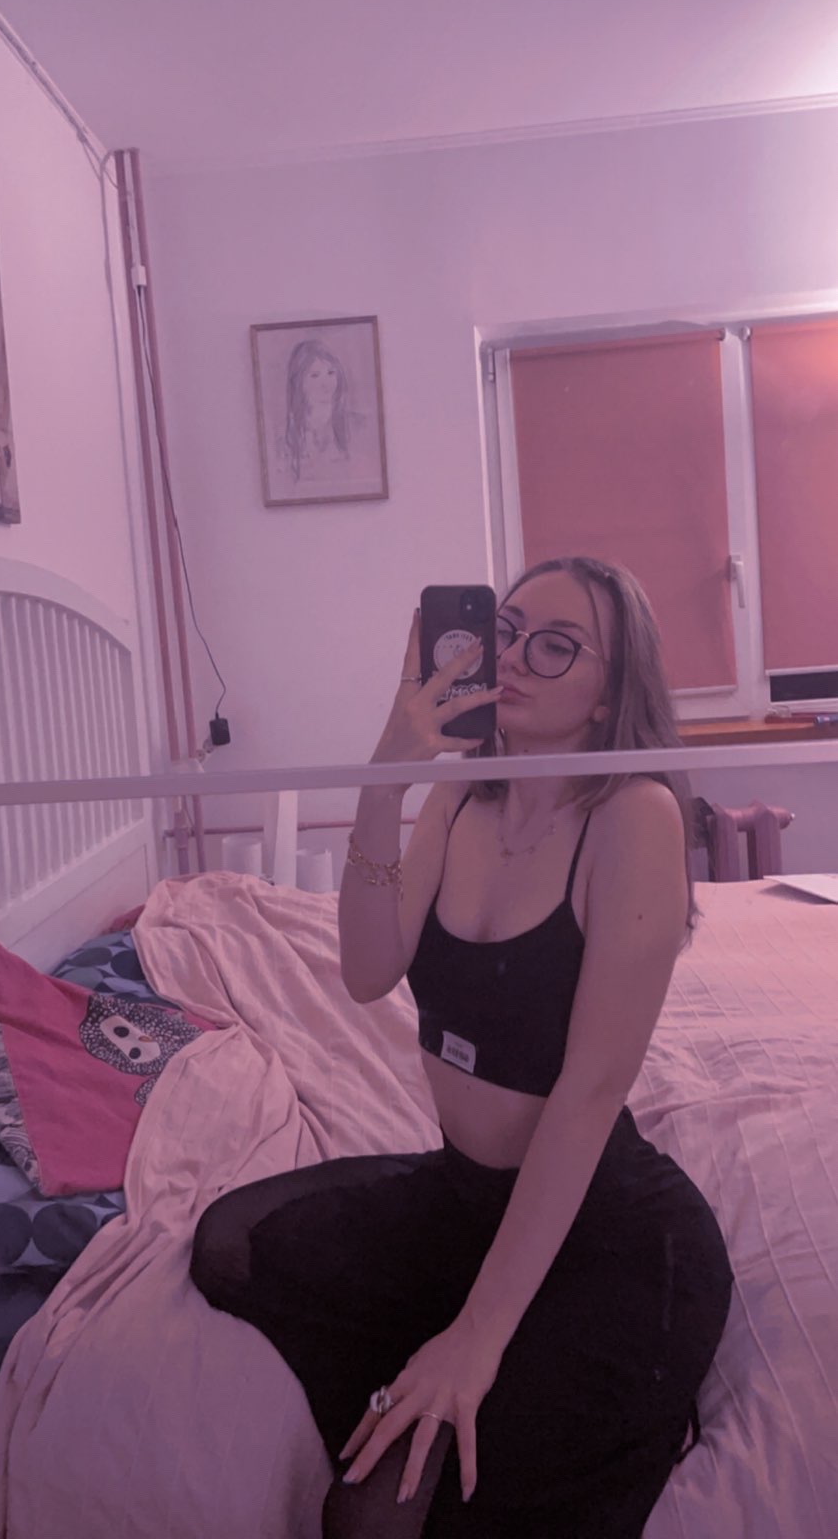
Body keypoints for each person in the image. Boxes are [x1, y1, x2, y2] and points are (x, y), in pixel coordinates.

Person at [190, 555, 734, 1538]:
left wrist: (477, 1339)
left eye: (555, 645)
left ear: (608, 689)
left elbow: (588, 1092)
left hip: (602, 1230)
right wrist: (388, 774)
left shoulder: (632, 817)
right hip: (463, 1199)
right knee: (233, 1252)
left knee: (384, 1516)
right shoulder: (458, 798)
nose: (513, 656)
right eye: (506, 629)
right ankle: (461, 1335)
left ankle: (609, 1394)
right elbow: (367, 968)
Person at [281, 339, 355, 481]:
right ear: (298, 382)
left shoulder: (355, 425)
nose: (325, 383)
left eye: (331, 373)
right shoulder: (287, 434)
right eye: (315, 375)